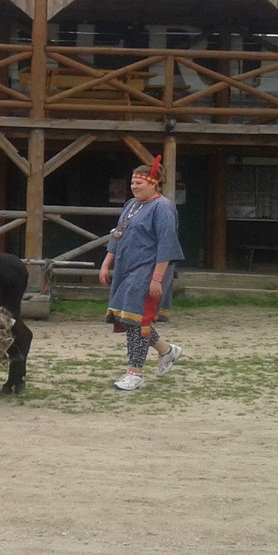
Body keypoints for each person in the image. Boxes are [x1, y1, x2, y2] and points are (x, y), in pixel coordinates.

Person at [99, 156, 185, 391]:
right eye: (132, 183)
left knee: (136, 319)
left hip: (148, 271)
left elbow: (167, 244)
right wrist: (106, 264)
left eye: (139, 183)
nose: (134, 187)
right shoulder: (131, 205)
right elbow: (117, 235)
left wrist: (157, 279)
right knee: (129, 318)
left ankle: (135, 373)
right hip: (126, 269)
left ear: (153, 183)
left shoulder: (163, 207)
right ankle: (167, 351)